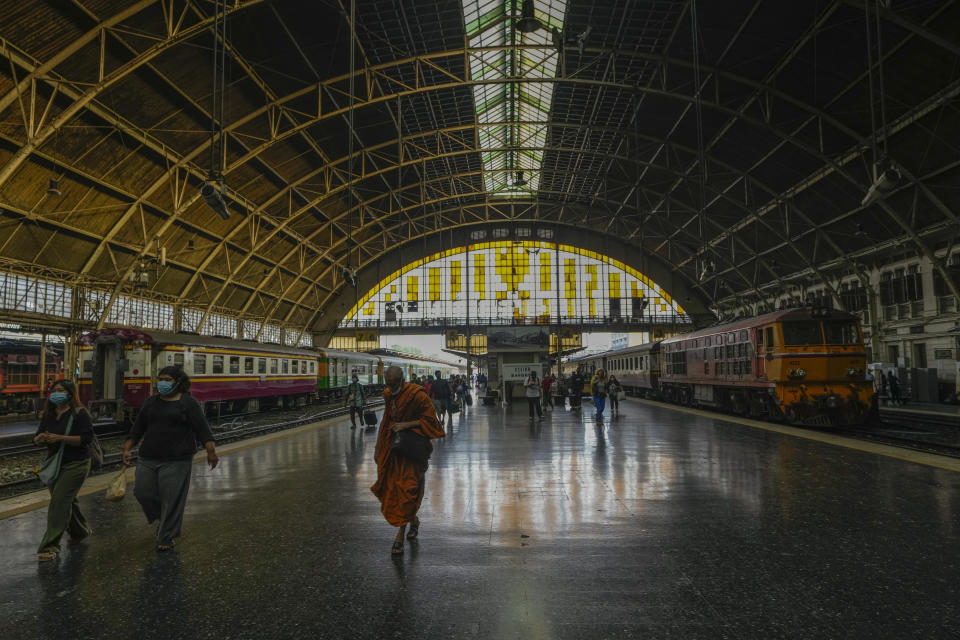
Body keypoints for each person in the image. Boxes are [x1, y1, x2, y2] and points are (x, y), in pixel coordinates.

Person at [122, 367, 219, 552]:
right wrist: (128, 447)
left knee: (172, 499)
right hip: (147, 456)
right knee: (142, 492)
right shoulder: (151, 402)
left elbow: (202, 428)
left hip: (177, 458)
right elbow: (138, 428)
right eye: (160, 379)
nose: (162, 383)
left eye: (167, 379)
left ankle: (166, 535)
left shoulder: (188, 403)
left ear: (178, 382)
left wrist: (210, 451)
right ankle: (164, 519)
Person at [371, 366, 446, 556]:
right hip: (395, 450)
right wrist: (378, 447)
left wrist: (407, 424)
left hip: (412, 451)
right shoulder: (390, 395)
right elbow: (386, 422)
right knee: (395, 490)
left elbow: (432, 422)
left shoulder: (417, 395)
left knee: (408, 489)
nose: (390, 387)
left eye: (394, 384)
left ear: (402, 380)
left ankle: (399, 536)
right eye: (388, 384)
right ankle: (413, 521)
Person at [33, 379, 93, 561]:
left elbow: (86, 439)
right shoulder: (48, 414)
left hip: (76, 464)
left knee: (59, 502)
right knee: (67, 501)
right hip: (55, 463)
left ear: (69, 394)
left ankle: (49, 545)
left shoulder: (80, 413)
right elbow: (37, 436)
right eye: (54, 390)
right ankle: (80, 532)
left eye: (61, 390)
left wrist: (60, 438)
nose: (56, 393)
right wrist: (40, 438)